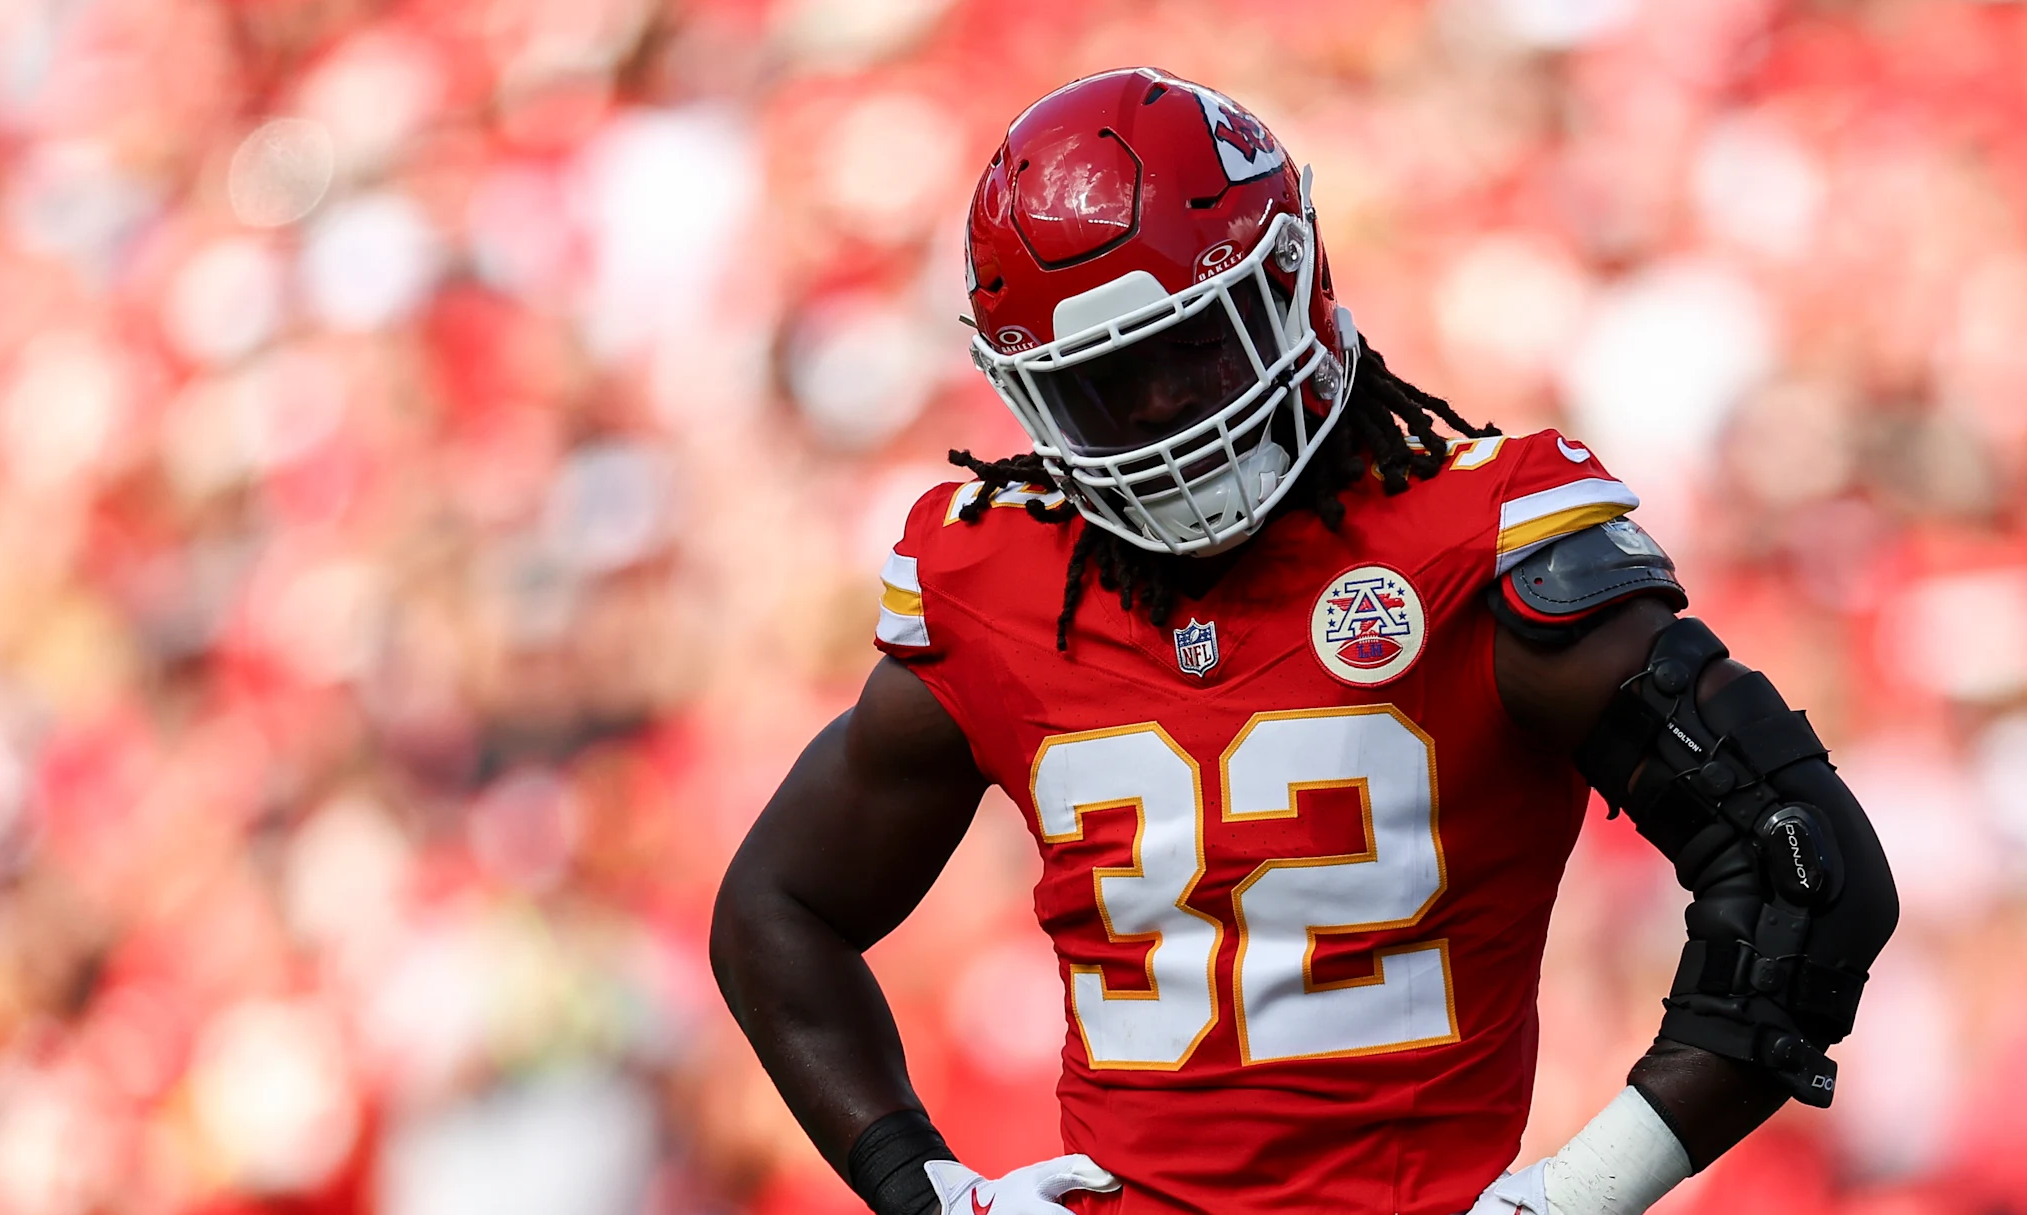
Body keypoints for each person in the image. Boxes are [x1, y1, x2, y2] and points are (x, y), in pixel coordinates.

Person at [710, 68, 1897, 1215]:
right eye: (1105, 385)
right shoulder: (998, 580)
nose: (1164, 410)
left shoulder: (1470, 546)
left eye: (1192, 347)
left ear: (1293, 278)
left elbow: (1807, 872)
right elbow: (777, 907)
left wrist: (1579, 1199)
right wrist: (926, 1187)